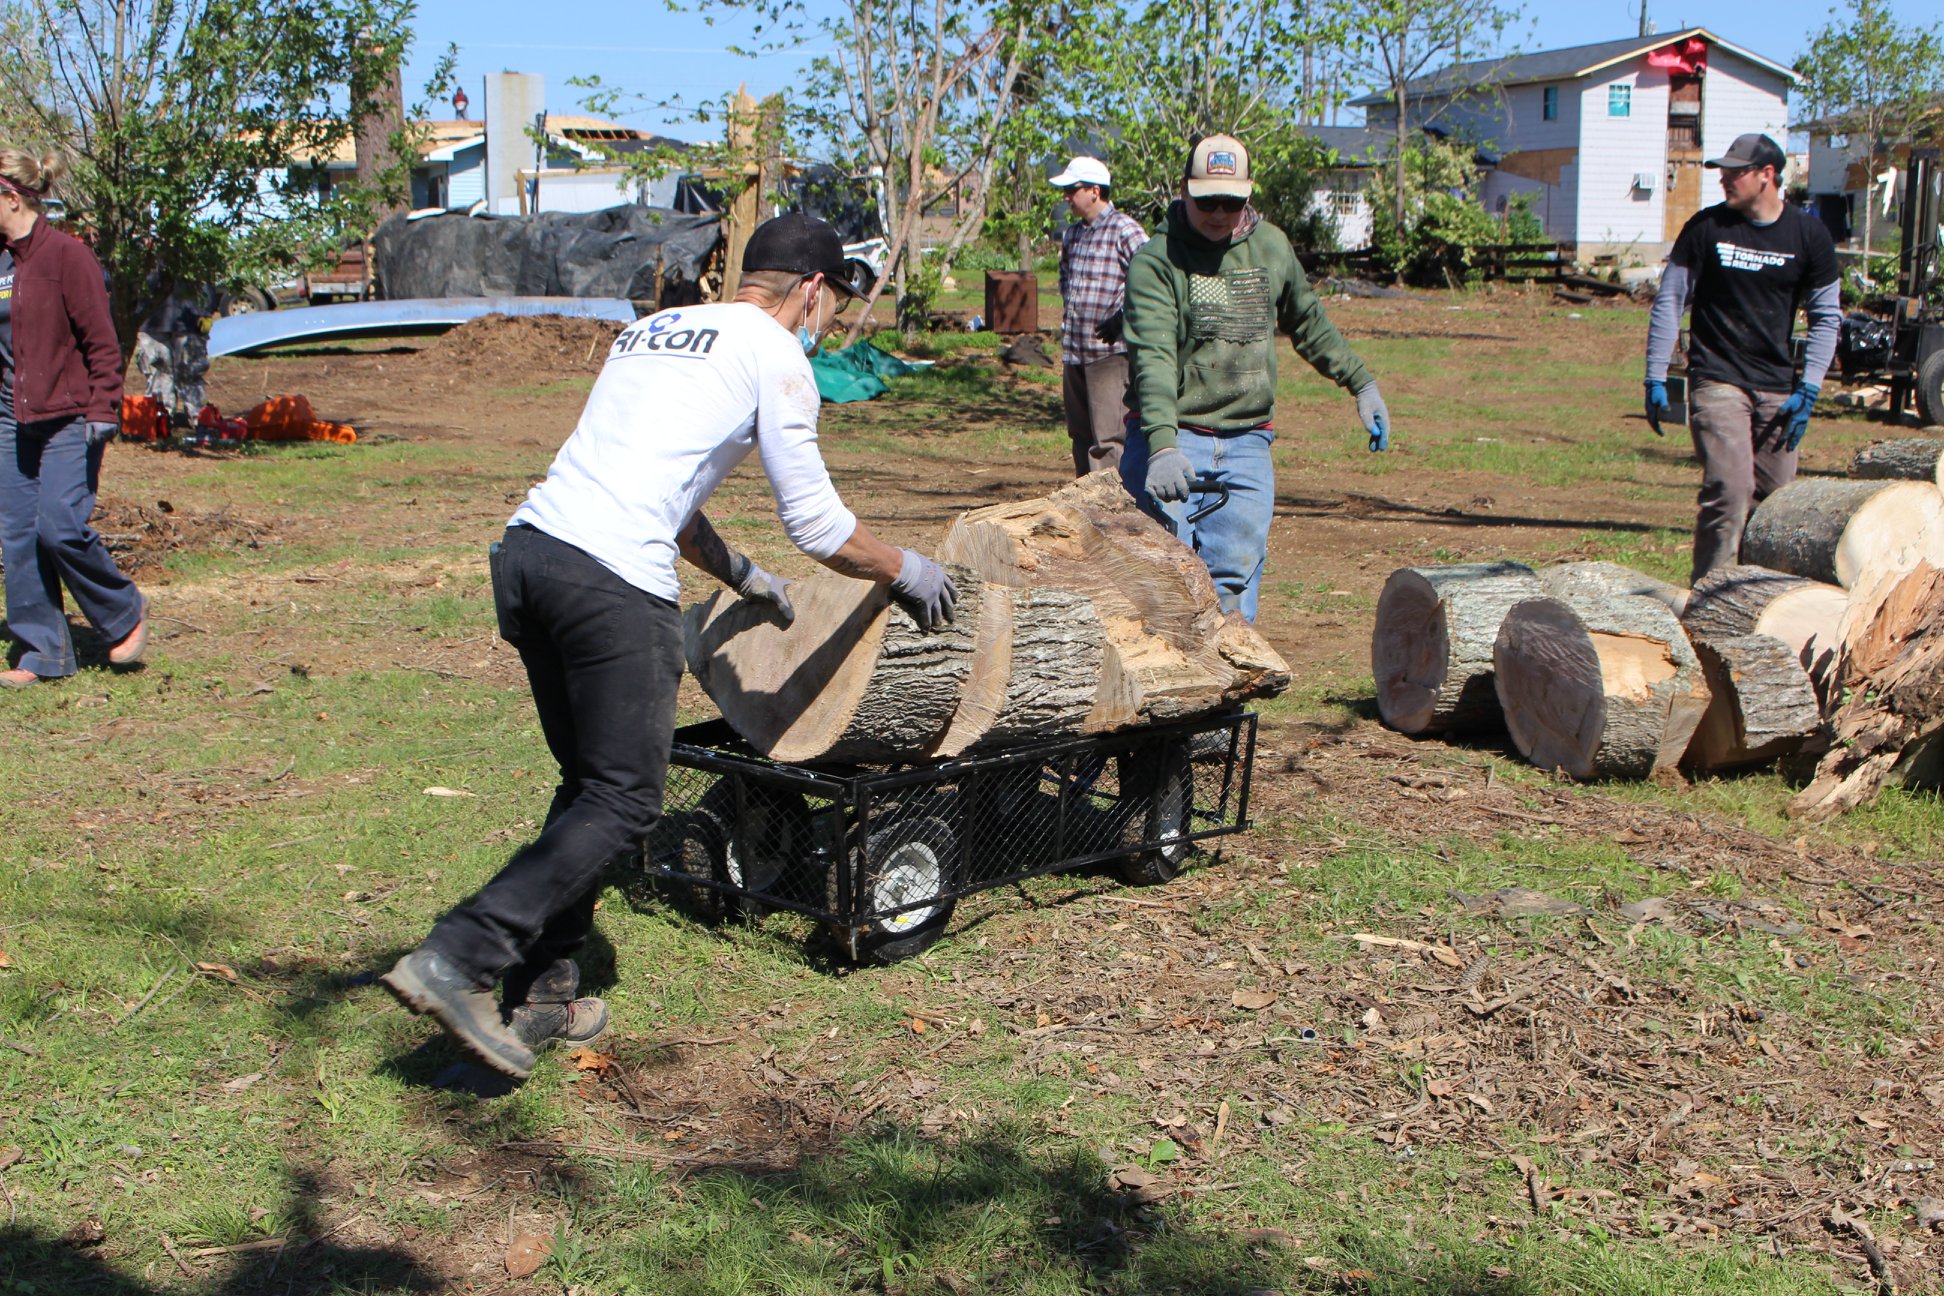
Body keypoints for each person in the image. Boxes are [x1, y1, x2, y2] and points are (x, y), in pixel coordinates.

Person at [382, 213, 960, 1080]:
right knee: (624, 799)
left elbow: (667, 492)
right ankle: (461, 956)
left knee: (589, 786)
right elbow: (817, 521)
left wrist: (742, 576)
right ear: (810, 288)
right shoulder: (778, 354)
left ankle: (546, 991)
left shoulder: (652, 332)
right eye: (832, 303)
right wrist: (903, 567)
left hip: (530, 555)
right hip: (609, 582)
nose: (829, 321)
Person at [1122, 133, 1389, 622]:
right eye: (1207, 200)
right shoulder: (1157, 261)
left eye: (1231, 201)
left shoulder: (1271, 247)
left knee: (1234, 580)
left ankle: (1227, 693)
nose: (1219, 213)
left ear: (1248, 194)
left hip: (1247, 441)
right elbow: (1153, 358)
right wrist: (1161, 445)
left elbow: (1308, 323)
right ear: (1184, 190)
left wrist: (1361, 383)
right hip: (1173, 436)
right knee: (1158, 578)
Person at [1644, 132, 1839, 583]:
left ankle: (1759, 598)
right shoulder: (1706, 228)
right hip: (1717, 379)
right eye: (1723, 171)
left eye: (1736, 172)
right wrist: (1656, 375)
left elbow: (1827, 317)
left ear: (1767, 175)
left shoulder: (1809, 236)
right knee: (1729, 492)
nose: (1725, 180)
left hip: (1777, 384)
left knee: (1775, 504)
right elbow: (1671, 300)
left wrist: (1809, 388)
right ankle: (1710, 600)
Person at [0, 147, 148, 687]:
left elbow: (101, 341)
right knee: (17, 535)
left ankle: (123, 611)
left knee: (58, 526)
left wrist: (104, 405)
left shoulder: (67, 257)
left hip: (70, 416)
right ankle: (42, 652)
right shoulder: (1, 261)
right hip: (11, 417)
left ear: (10, 197)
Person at [1050, 155, 1149, 476]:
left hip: (1109, 355)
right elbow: (1065, 278)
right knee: (1080, 435)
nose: (1066, 196)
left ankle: (1113, 514)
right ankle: (1086, 506)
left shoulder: (1125, 230)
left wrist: (1124, 317)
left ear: (1094, 191)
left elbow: (1153, 281)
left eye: (1072, 189)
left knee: (1108, 439)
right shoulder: (1073, 235)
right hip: (1075, 353)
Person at [135, 279, 216, 430]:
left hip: (188, 319)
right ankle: (160, 422)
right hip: (154, 320)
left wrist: (206, 311)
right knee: (159, 373)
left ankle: (198, 422)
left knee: (188, 374)